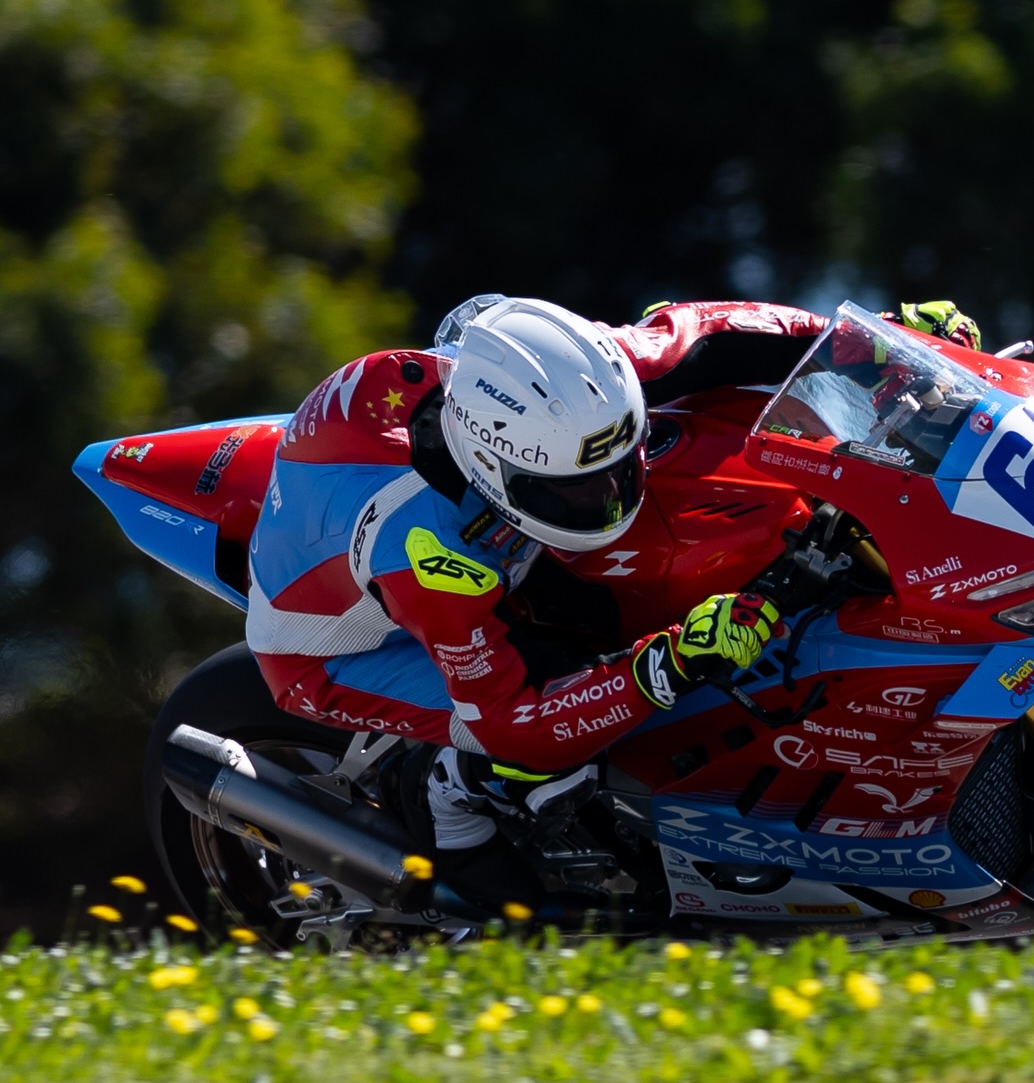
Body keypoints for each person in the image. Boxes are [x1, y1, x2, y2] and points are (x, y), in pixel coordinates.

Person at [244, 294, 980, 899]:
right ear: (495, 471)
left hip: (423, 517)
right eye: (578, 490)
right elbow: (514, 720)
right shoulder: (431, 555)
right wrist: (673, 660)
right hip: (346, 651)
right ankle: (456, 794)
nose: (612, 497)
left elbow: (709, 333)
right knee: (555, 738)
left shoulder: (568, 386)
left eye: (620, 466)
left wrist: (874, 345)